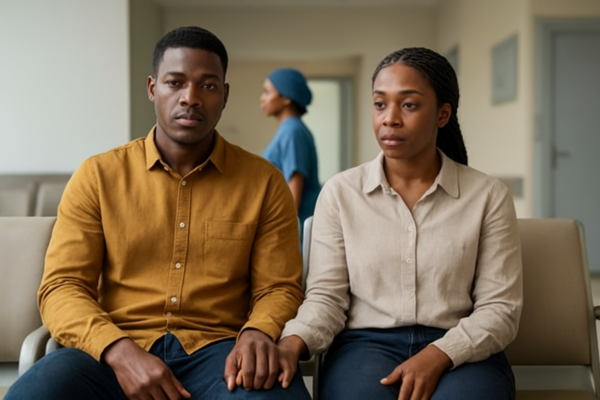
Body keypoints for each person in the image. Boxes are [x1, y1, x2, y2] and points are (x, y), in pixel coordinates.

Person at [5, 26, 312, 400]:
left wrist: (258, 331)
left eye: (208, 86)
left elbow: (278, 287)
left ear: (225, 95)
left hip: (220, 353)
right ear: (153, 88)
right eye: (175, 83)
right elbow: (62, 287)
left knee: (279, 394)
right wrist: (117, 350)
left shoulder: (264, 183)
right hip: (109, 350)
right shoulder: (98, 176)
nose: (191, 98)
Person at [276, 47, 523, 400]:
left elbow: (500, 309)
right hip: (363, 346)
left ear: (442, 114)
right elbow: (326, 299)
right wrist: (291, 343)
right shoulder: (341, 193)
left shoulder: (488, 196)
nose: (389, 118)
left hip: (461, 345)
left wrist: (439, 354)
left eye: (408, 105)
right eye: (380, 104)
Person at [260, 68, 321, 226]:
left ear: (286, 98)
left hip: (293, 232)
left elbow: (294, 192)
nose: (262, 99)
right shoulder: (289, 129)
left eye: (267, 92)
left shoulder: (292, 131)